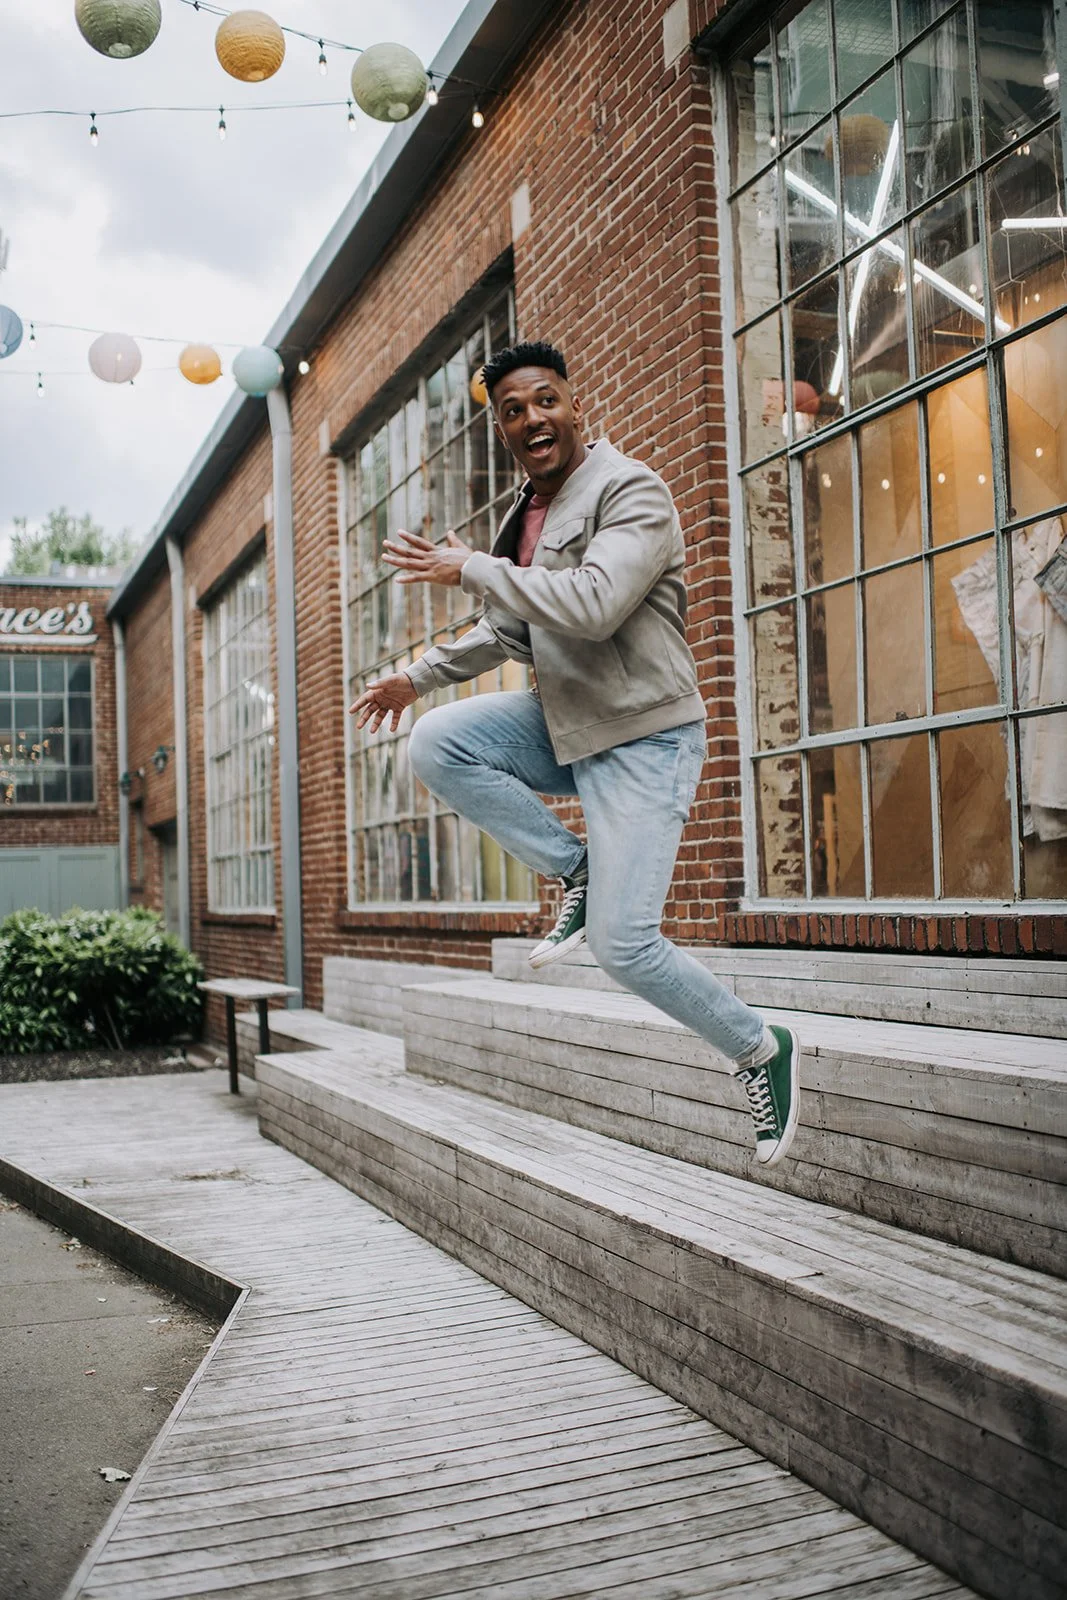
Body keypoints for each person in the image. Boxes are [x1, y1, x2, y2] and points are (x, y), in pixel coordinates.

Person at [349, 341, 800, 1167]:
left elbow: (593, 605)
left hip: (643, 737)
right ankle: (575, 868)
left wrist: (472, 568)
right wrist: (415, 680)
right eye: (512, 412)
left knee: (624, 947)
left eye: (543, 400)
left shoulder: (632, 489)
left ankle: (757, 1047)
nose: (531, 420)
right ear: (502, 428)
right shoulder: (525, 516)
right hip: (571, 726)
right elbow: (509, 630)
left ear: (574, 402)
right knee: (439, 740)